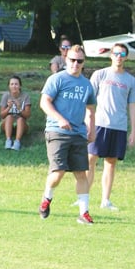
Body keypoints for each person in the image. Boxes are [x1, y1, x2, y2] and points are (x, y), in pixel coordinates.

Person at [38, 44, 97, 224]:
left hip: (78, 133)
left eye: (79, 61)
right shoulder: (57, 79)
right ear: (66, 59)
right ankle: (46, 199)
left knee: (81, 174)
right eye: (72, 60)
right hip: (57, 131)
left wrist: (92, 129)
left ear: (83, 62)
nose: (75, 64)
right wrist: (60, 119)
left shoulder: (87, 84)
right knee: (58, 172)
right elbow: (44, 102)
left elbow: (90, 110)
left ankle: (84, 213)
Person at [86, 43, 135, 210]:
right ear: (111, 55)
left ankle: (106, 201)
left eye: (122, 54)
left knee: (111, 163)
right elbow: (89, 100)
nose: (119, 57)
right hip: (99, 124)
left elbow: (132, 106)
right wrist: (88, 122)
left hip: (119, 127)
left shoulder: (130, 80)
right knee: (90, 159)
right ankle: (83, 197)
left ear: (126, 57)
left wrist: (133, 131)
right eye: (116, 53)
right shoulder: (100, 74)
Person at [0, 75, 32, 151]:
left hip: (21, 124)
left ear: (20, 86)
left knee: (20, 119)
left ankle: (17, 141)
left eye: (16, 84)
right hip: (6, 123)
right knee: (9, 117)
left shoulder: (25, 96)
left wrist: (19, 108)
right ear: (9, 86)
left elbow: (27, 115)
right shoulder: (6, 96)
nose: (14, 86)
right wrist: (8, 108)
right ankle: (8, 140)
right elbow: (2, 115)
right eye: (12, 84)